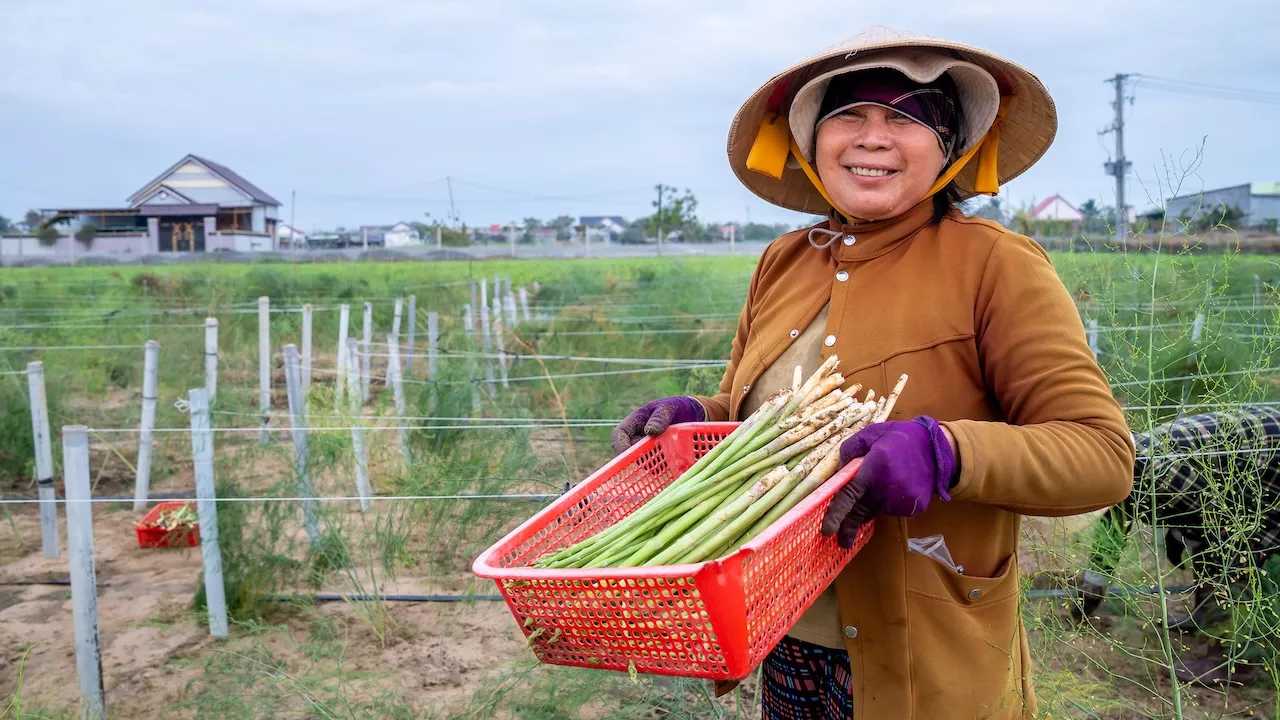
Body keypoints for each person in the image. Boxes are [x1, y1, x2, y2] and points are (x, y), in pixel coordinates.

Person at [610, 25, 1135, 719]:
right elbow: (764, 416)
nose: (873, 137)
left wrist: (947, 451)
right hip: (785, 627)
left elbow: (1101, 455)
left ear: (948, 150)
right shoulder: (785, 261)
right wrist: (701, 419)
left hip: (926, 642)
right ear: (811, 140)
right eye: (849, 115)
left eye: (907, 118)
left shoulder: (994, 264)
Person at [1071, 404, 1280, 686]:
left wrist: (1186, 538)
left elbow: (1225, 532)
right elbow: (1115, 526)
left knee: (1231, 553)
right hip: (1242, 458)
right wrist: (1092, 584)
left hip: (1269, 462)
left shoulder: (1153, 471)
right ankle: (1206, 617)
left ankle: (1229, 661)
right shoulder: (1120, 460)